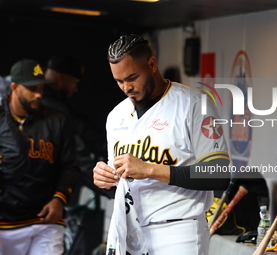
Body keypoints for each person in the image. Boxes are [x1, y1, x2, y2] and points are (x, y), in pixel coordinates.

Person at [93, 34, 231, 254]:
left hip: (179, 230)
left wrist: (149, 169)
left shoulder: (194, 104)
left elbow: (219, 173)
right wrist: (106, 181)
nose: (126, 87)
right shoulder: (116, 115)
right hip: (130, 228)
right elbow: (121, 185)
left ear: (152, 64)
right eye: (119, 81)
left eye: (132, 77)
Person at [0, 59, 79, 255]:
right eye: (32, 88)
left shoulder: (57, 120)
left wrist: (60, 199)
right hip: (4, 222)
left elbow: (70, 166)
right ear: (15, 87)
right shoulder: (2, 120)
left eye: (42, 88)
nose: (39, 94)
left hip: (45, 220)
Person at [43, 52, 109, 202]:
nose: (76, 88)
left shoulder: (48, 101)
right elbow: (78, 159)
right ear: (61, 77)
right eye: (75, 82)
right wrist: (112, 190)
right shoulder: (53, 109)